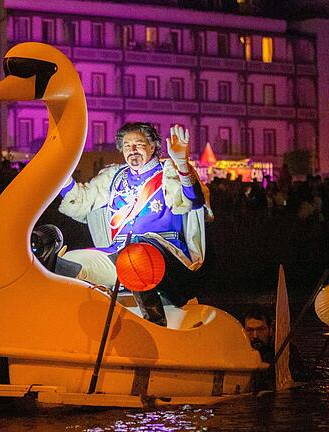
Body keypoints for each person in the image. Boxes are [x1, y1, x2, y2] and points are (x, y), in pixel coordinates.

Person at [57, 122, 211, 326]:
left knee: (134, 256)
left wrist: (182, 165)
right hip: (118, 253)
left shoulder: (169, 172)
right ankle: (79, 324)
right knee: (66, 262)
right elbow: (81, 201)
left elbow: (194, 200)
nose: (132, 150)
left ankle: (155, 324)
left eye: (139, 144)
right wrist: (60, 174)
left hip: (164, 256)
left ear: (153, 146)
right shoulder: (113, 177)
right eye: (127, 145)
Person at [243, 308, 307, 390]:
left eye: (261, 330)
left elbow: (299, 379)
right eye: (250, 330)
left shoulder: (285, 351)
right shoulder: (237, 350)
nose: (255, 336)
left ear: (270, 330)